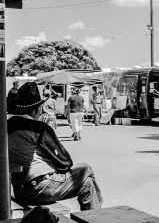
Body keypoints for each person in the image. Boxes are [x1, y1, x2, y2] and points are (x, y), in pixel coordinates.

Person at [7, 82, 103, 211]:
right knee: (87, 170)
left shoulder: (7, 125)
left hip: (19, 188)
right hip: (40, 187)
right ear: (38, 109)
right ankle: (97, 219)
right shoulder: (38, 128)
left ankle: (96, 217)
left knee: (87, 182)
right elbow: (65, 162)